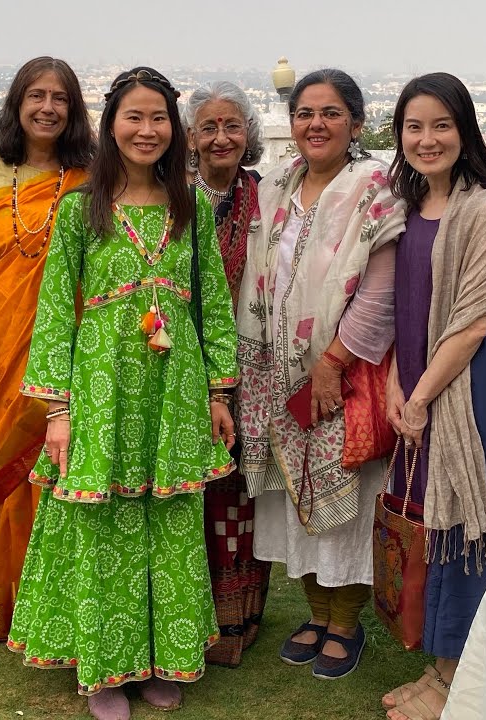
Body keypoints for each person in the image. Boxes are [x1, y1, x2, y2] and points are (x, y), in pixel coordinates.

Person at [8, 67, 238, 720]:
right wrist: (58, 409)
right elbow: (54, 310)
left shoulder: (189, 205)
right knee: (104, 526)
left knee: (168, 526)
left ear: (175, 129)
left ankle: (162, 657)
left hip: (175, 389)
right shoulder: (84, 207)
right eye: (133, 117)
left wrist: (219, 392)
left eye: (159, 118)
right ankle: (105, 669)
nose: (147, 130)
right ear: (112, 125)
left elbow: (212, 304)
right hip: (102, 391)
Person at [237, 68, 406, 681]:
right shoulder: (276, 187)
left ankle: (345, 622)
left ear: (355, 124)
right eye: (305, 113)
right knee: (291, 503)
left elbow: (382, 293)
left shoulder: (375, 190)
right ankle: (313, 612)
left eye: (331, 113)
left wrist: (333, 362)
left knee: (347, 500)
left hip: (343, 375)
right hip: (274, 376)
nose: (316, 124)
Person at [378, 73, 486, 720]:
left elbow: (473, 324)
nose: (427, 139)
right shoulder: (407, 207)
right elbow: (398, 307)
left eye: (441, 125)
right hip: (417, 388)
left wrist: (421, 396)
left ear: (464, 132)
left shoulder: (482, 209)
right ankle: (440, 668)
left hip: (465, 397)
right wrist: (394, 382)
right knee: (431, 524)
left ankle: (458, 679)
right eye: (414, 126)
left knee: (462, 524)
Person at [0, 56, 93, 644]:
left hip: (70, 340)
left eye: (60, 97)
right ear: (17, 102)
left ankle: (56, 596)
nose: (47, 107)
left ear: (74, 109)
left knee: (61, 460)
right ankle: (0, 594)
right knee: (0, 458)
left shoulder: (92, 174)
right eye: (36, 95)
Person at [182, 80, 272, 669]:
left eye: (232, 126)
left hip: (249, 368)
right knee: (183, 495)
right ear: (190, 137)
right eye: (208, 127)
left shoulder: (267, 198)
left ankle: (236, 622)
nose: (221, 138)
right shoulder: (168, 197)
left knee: (237, 491)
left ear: (249, 136)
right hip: (172, 365)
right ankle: (182, 619)